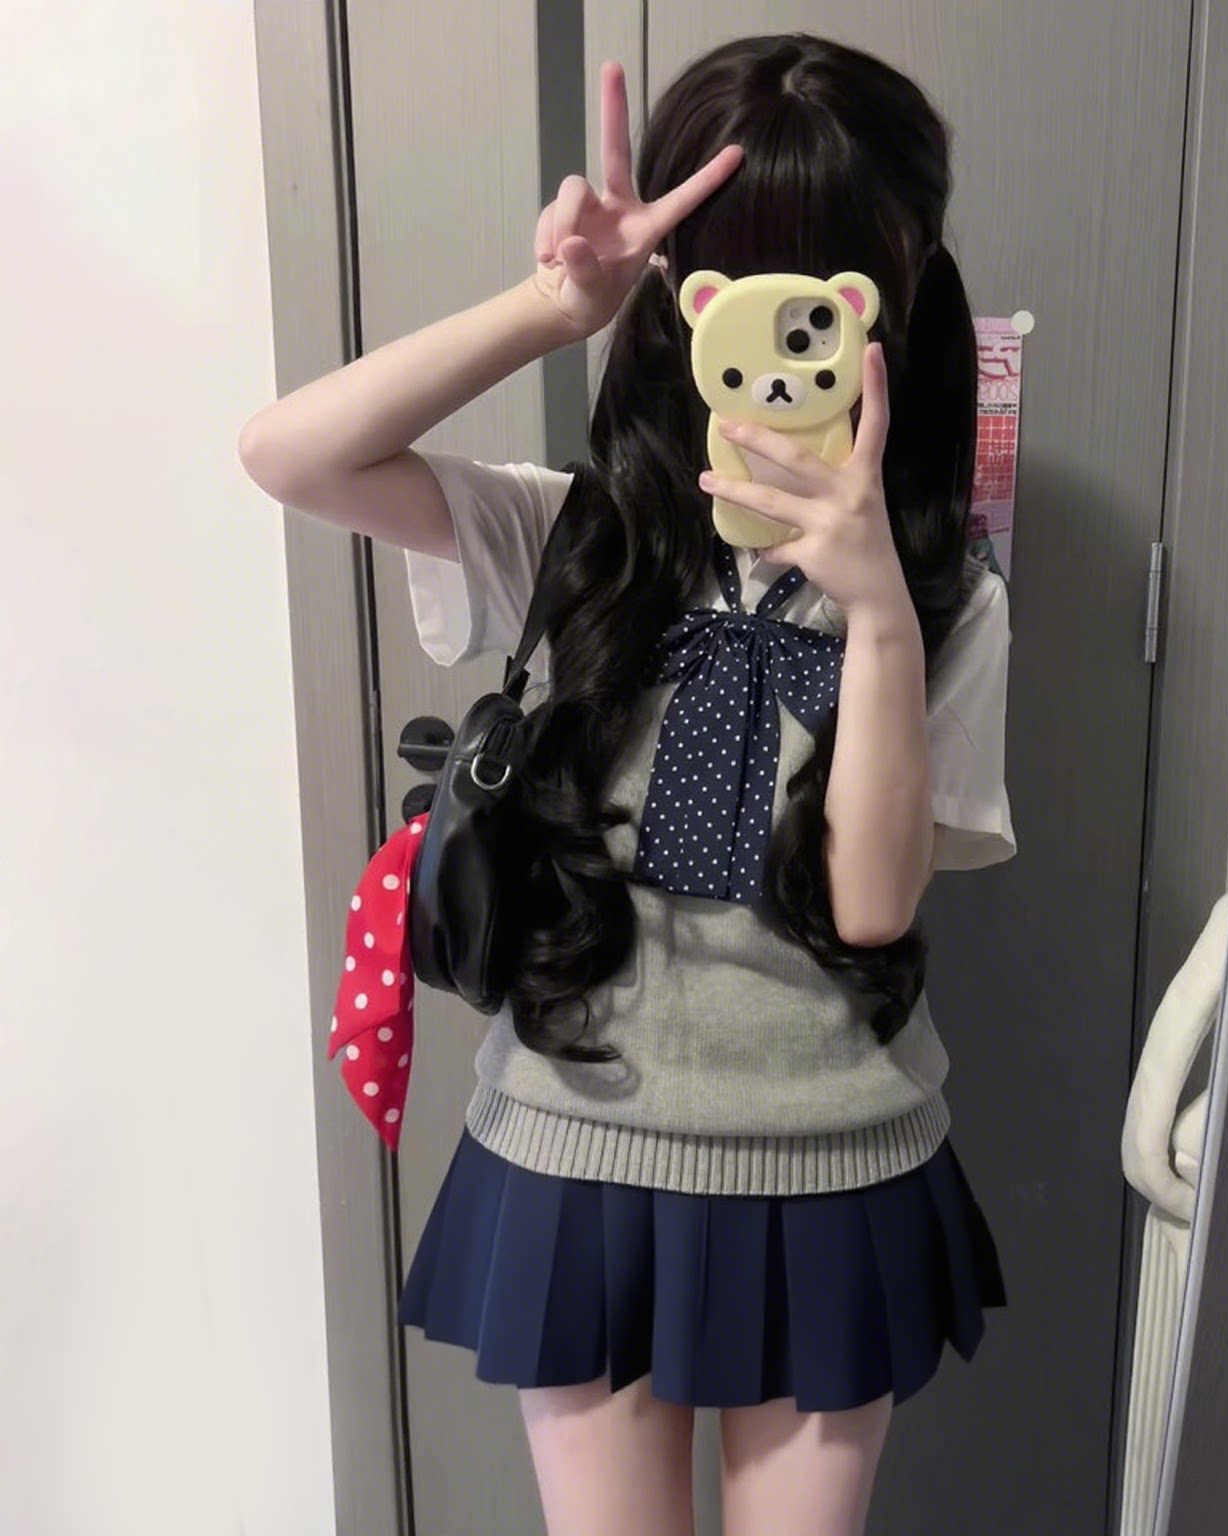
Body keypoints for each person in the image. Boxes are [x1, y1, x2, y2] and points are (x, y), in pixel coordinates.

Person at [240, 33, 1015, 1536]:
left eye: (826, 284)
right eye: (736, 277)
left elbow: (870, 908)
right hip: (579, 1145)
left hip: (833, 1158)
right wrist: (557, 305)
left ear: (891, 300)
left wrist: (874, 614)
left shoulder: (946, 600)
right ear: (687, 300)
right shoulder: (569, 537)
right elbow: (287, 455)